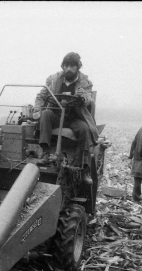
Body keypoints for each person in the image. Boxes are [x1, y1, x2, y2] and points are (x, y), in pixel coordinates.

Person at [33, 52, 99, 185]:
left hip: (75, 116)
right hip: (57, 114)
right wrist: (37, 110)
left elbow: (88, 98)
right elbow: (41, 96)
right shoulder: (53, 79)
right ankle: (45, 153)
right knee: (46, 114)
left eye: (72, 66)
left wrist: (81, 97)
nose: (68, 69)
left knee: (84, 129)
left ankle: (84, 167)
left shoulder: (85, 82)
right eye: (66, 65)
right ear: (63, 66)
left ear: (78, 67)